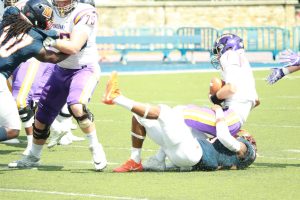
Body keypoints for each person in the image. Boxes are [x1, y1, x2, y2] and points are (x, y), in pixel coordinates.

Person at [8, 0, 107, 171]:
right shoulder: (48, 8)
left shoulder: (85, 12)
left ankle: (95, 148)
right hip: (59, 69)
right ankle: (33, 156)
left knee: (76, 106)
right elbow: (22, 9)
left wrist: (45, 37)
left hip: (84, 68)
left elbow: (74, 47)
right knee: (41, 119)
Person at [102, 72, 257, 172]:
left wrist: (218, 111)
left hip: (193, 154)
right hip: (185, 156)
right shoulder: (223, 149)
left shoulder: (245, 150)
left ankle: (116, 97)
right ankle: (136, 161)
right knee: (140, 117)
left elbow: (224, 136)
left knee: (164, 112)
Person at [0, 0, 68, 144]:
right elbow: (53, 57)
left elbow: (12, 10)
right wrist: (75, 49)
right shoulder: (35, 38)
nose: (48, 21)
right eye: (47, 17)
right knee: (12, 129)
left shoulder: (10, 16)